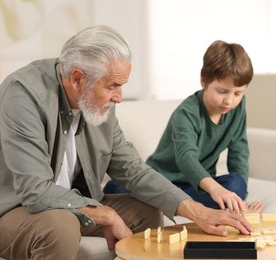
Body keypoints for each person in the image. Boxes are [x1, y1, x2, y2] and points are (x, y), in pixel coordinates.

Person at [0, 27, 253, 260]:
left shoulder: (99, 104)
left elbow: (133, 170)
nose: (119, 96)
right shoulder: (23, 95)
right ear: (78, 78)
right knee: (60, 227)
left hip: (66, 204)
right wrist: (105, 214)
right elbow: (35, 191)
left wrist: (197, 210)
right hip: (2, 210)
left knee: (147, 211)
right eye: (113, 86)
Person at [104, 40, 264, 214]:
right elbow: (186, 158)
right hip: (162, 181)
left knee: (236, 184)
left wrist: (239, 200)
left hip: (197, 186)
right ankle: (172, 202)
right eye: (222, 91)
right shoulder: (187, 113)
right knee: (115, 188)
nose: (229, 100)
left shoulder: (238, 107)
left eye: (238, 93)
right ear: (203, 81)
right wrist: (216, 190)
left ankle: (170, 204)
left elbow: (239, 152)